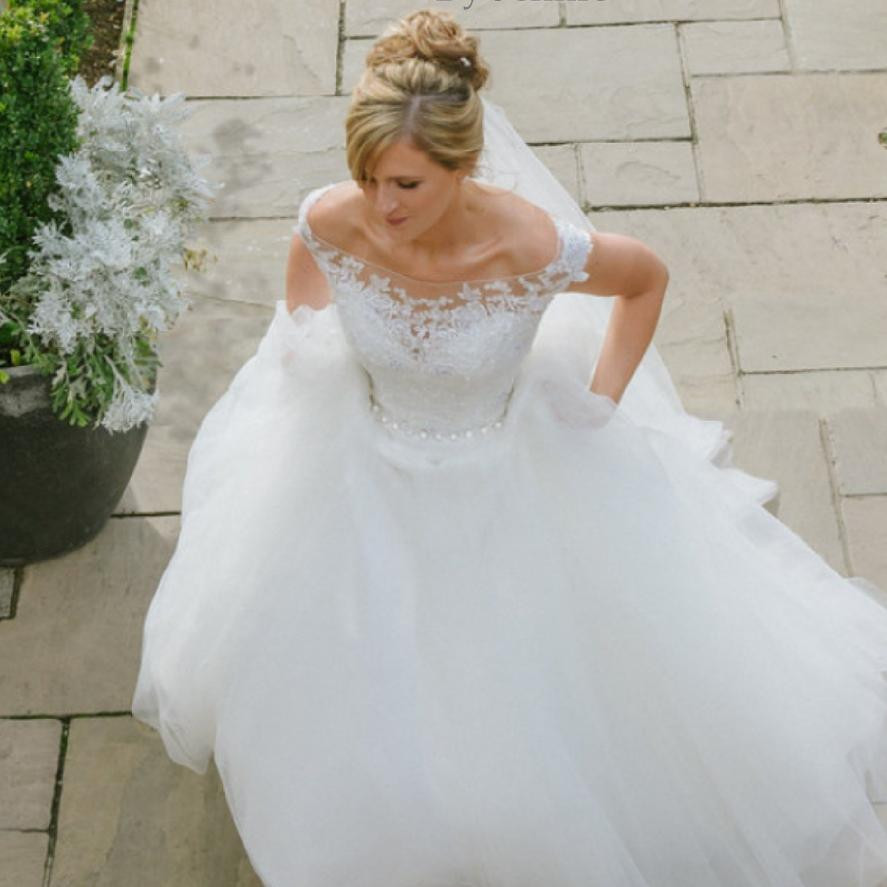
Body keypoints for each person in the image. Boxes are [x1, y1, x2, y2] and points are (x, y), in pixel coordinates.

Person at [132, 9, 887, 886]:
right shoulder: (331, 219)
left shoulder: (528, 244)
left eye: (408, 183)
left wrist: (600, 404)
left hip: (505, 470)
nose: (385, 203)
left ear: (461, 167)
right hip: (361, 463)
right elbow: (301, 305)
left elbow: (642, 279)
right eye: (371, 176)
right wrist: (303, 365)